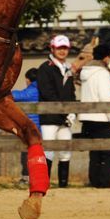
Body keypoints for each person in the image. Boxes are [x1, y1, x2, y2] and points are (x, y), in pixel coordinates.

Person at [36, 34, 77, 187]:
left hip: (65, 118)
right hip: (50, 116)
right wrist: (64, 111)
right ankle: (44, 184)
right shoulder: (45, 68)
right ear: (52, 48)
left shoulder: (68, 69)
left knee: (66, 150)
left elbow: (71, 92)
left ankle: (63, 184)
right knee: (48, 150)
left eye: (65, 48)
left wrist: (72, 111)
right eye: (59, 48)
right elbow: (47, 93)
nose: (62, 51)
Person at [79, 43, 110, 188]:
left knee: (95, 152)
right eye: (109, 57)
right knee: (108, 152)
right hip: (101, 118)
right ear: (105, 57)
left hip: (87, 118)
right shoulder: (102, 73)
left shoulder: (86, 72)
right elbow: (106, 98)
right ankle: (104, 182)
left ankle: (94, 180)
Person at [11, 68, 41, 185]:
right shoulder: (44, 90)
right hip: (43, 127)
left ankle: (26, 177)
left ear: (28, 80)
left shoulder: (30, 91)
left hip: (31, 129)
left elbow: (14, 95)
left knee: (27, 154)